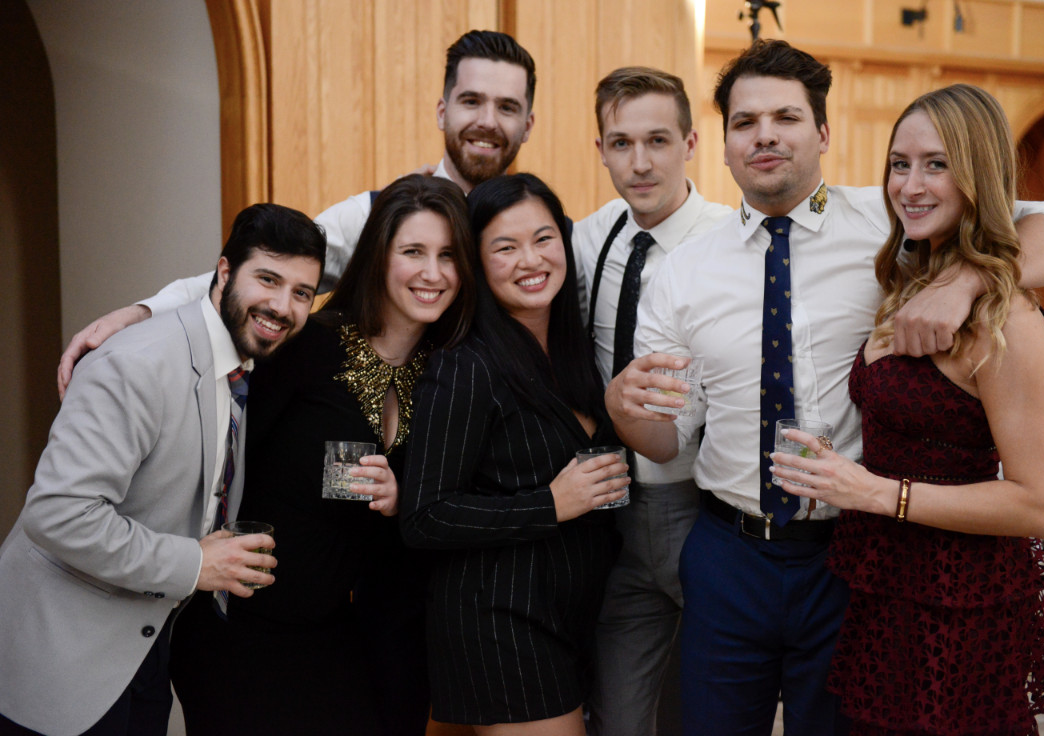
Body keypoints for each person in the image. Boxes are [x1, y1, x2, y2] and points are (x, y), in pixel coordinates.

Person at [604, 40, 1044, 736]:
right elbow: (668, 439)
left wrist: (970, 280)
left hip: (856, 554)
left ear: (824, 133)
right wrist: (624, 412)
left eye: (786, 117)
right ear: (722, 145)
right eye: (745, 122)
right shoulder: (682, 272)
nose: (765, 135)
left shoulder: (894, 221)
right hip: (729, 550)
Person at [771, 83, 1044, 735]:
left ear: (978, 175)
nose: (910, 186)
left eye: (936, 165)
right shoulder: (910, 281)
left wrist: (876, 492)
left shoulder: (1008, 319)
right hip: (881, 581)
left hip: (958, 598)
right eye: (899, 165)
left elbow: (1039, 505)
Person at [56, 29, 537, 394]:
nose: (487, 121)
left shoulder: (545, 239)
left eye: (507, 107)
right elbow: (252, 278)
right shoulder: (375, 216)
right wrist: (140, 313)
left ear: (528, 124)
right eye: (471, 101)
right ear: (442, 111)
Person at [0, 203, 325, 736]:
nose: (281, 306)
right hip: (60, 663)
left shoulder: (239, 364)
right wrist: (196, 564)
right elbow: (58, 513)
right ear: (224, 273)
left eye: (302, 293)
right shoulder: (138, 363)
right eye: (268, 279)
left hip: (145, 654)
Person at [168, 176, 477, 736]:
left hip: (353, 643)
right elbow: (217, 456)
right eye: (413, 251)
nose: (432, 273)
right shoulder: (306, 342)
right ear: (379, 255)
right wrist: (139, 313)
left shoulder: (452, 371)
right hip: (245, 634)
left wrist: (402, 500)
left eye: (448, 255)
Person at [402, 173, 625, 735]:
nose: (531, 260)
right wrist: (550, 503)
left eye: (544, 239)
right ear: (478, 262)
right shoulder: (465, 365)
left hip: (573, 618)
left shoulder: (575, 351)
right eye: (505, 247)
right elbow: (424, 515)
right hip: (499, 621)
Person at [572, 66, 732, 736]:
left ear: (691, 143)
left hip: (705, 507)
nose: (640, 163)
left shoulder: (735, 237)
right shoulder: (588, 237)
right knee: (619, 716)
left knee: (703, 712)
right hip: (608, 509)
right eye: (621, 143)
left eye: (658, 141)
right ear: (601, 150)